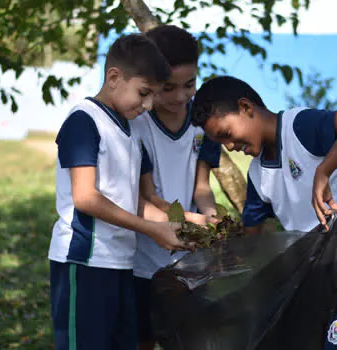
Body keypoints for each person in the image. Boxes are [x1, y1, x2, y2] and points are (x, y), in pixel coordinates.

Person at [190, 76, 337, 350]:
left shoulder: (300, 127)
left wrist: (324, 170)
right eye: (221, 143)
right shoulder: (259, 176)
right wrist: (218, 259)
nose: (230, 146)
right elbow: (251, 235)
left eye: (226, 134)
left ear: (246, 107)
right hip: (316, 264)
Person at [47, 33, 193, 350]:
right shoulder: (84, 121)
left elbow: (139, 203)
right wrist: (152, 230)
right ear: (114, 77)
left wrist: (192, 223)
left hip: (120, 264)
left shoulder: (129, 131)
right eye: (143, 93)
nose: (149, 105)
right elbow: (86, 198)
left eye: (153, 95)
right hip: (84, 262)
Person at [130, 25, 222, 350]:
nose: (180, 97)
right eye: (168, 88)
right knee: (142, 339)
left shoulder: (202, 122)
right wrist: (188, 222)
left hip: (190, 262)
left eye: (190, 85)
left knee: (191, 339)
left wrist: (210, 214)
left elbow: (202, 188)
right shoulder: (136, 125)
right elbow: (145, 198)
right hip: (142, 261)